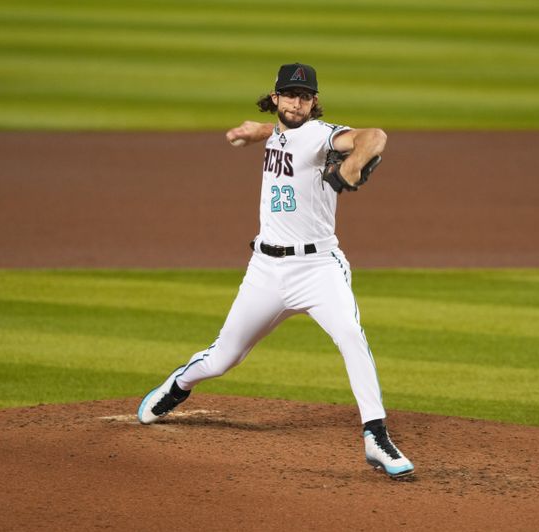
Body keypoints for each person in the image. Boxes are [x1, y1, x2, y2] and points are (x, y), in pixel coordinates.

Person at [137, 62, 414, 479]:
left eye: (304, 97)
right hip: (265, 270)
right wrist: (259, 131)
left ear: (314, 102)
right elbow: (287, 136)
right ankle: (178, 387)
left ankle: (375, 435)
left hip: (319, 268)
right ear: (276, 97)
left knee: (351, 337)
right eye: (289, 94)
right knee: (221, 358)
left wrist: (353, 163)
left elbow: (375, 137)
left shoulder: (324, 136)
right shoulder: (283, 132)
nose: (296, 102)